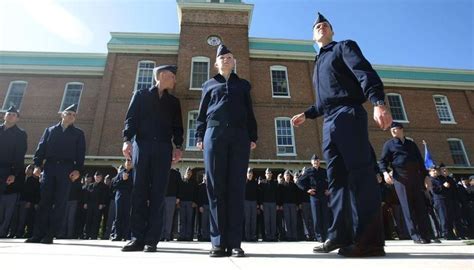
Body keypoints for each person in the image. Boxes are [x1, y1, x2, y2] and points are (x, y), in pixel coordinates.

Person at [291, 13, 391, 257]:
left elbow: (363, 72)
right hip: (329, 121)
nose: (321, 27)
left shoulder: (344, 47)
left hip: (349, 113)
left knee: (360, 175)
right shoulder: (317, 64)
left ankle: (369, 241)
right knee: (336, 180)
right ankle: (340, 235)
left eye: (325, 25)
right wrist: (307, 114)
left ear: (331, 32)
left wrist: (378, 101)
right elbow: (324, 101)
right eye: (317, 26)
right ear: (313, 36)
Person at [195, 44, 258, 257]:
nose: (226, 60)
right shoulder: (209, 85)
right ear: (216, 63)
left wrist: (253, 136)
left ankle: (235, 243)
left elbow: (250, 112)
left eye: (230, 57)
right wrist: (199, 135)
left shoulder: (243, 85)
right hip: (214, 134)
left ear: (234, 62)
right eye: (222, 57)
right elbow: (202, 113)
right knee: (216, 188)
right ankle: (218, 243)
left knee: (236, 188)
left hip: (240, 136)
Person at [121, 64, 184, 252]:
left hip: (164, 148)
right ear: (163, 75)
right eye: (173, 77)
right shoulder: (140, 95)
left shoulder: (173, 102)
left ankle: (151, 240)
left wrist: (178, 146)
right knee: (139, 191)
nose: (175, 80)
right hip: (142, 145)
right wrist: (126, 140)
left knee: (158, 193)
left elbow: (178, 127)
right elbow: (130, 119)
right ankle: (136, 238)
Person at [26, 104, 85, 244]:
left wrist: (78, 170)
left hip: (66, 169)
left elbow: (80, 154)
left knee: (60, 203)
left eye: (73, 115)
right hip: (50, 167)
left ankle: (50, 234)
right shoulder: (50, 130)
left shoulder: (78, 133)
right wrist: (37, 166)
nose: (71, 116)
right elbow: (40, 149)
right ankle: (38, 234)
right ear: (62, 115)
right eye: (68, 113)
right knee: (44, 202)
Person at [378, 122, 433, 244]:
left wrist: (426, 177)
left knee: (420, 206)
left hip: (415, 178)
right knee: (407, 207)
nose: (392, 131)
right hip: (401, 178)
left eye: (395, 128)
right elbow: (382, 162)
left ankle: (426, 235)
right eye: (391, 129)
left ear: (401, 130)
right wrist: (385, 173)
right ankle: (415, 236)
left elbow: (420, 161)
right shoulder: (389, 144)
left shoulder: (411, 144)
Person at [296, 154, 331, 243]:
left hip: (323, 195)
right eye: (314, 161)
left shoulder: (324, 171)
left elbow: (331, 181)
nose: (316, 162)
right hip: (314, 196)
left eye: (317, 161)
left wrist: (329, 190)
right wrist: (307, 190)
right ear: (312, 163)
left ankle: (327, 236)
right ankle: (319, 237)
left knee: (325, 216)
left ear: (319, 162)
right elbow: (299, 182)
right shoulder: (308, 171)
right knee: (316, 217)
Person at [0, 105, 27, 214]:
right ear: (4, 116)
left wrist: (13, 173)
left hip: (5, 171)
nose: (11, 116)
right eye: (9, 114)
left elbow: (20, 155)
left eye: (14, 115)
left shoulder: (20, 134)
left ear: (17, 119)